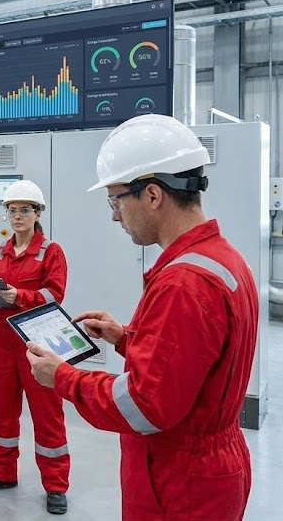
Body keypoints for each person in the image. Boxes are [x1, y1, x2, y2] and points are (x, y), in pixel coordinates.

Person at [26, 114, 258, 521]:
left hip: (178, 482)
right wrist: (128, 339)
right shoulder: (223, 259)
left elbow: (146, 407)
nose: (115, 216)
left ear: (152, 195)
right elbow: (195, 362)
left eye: (116, 200)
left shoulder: (182, 284)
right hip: (209, 469)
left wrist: (62, 377)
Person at [0, 180, 70, 515]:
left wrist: (21, 297)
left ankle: (56, 485)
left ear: (38, 213)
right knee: (3, 410)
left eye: (24, 210)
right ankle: (2, 472)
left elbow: (55, 295)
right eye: (12, 211)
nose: (17, 216)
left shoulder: (50, 251)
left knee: (47, 414)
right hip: (2, 341)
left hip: (38, 342)